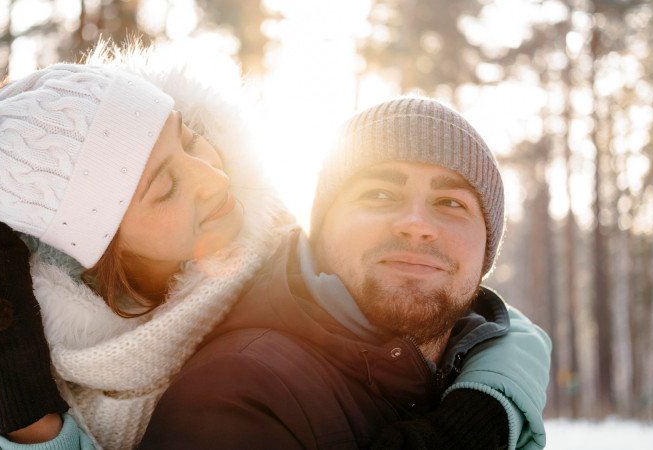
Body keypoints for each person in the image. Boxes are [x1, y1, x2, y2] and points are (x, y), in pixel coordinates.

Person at [0, 47, 549, 449]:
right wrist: (31, 414)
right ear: (106, 252)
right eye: (165, 188)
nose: (214, 178)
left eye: (190, 142)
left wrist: (487, 404)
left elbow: (483, 315)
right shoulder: (177, 379)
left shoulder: (266, 235)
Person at [137, 97, 552, 449]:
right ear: (320, 229)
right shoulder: (234, 393)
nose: (416, 223)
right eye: (379, 194)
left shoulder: (478, 367)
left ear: (486, 249)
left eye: (450, 203)